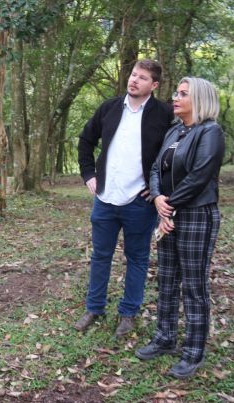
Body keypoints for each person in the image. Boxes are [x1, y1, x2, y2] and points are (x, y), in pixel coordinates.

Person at [75, 59, 175, 337]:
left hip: (140, 203)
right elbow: (85, 140)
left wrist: (159, 187)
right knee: (100, 256)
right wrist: (88, 174)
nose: (134, 80)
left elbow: (174, 154)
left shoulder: (164, 114)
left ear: (154, 85)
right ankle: (94, 308)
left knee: (138, 258)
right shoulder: (109, 108)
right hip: (105, 198)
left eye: (142, 78)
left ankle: (128, 313)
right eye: (133, 75)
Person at [135, 77, 225, 379]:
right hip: (168, 215)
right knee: (168, 279)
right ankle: (164, 338)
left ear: (199, 100)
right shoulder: (175, 130)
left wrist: (168, 205)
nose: (176, 97)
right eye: (176, 92)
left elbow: (200, 176)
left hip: (196, 216)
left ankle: (193, 351)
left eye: (183, 94)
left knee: (194, 285)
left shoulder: (210, 132)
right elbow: (156, 168)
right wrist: (158, 198)